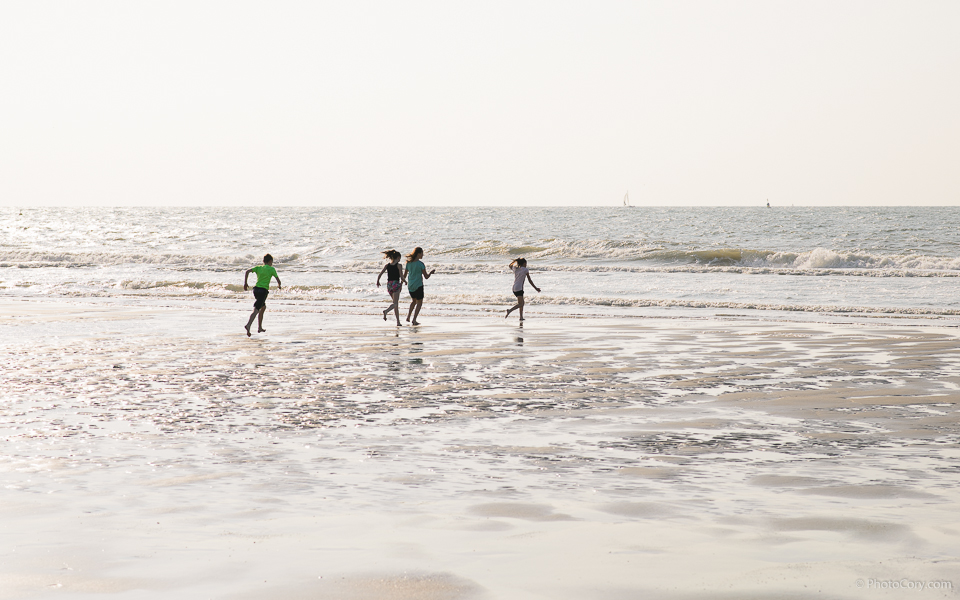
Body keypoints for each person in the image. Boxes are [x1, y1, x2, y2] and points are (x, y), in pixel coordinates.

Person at [243, 254, 281, 337]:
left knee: (263, 307)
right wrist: (279, 285)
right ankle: (248, 325)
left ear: (263, 261)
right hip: (263, 291)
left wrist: (245, 283)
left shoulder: (259, 267)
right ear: (270, 261)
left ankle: (259, 327)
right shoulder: (271, 269)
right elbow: (278, 280)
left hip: (256, 290)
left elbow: (247, 271)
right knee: (256, 309)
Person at [404, 246, 435, 325]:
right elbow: (426, 277)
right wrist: (431, 273)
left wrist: (402, 283)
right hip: (418, 285)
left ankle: (408, 316)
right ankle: (414, 320)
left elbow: (404, 276)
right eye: (422, 253)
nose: (422, 255)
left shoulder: (408, 263)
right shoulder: (421, 264)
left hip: (410, 285)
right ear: (418, 254)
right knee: (419, 303)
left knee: (413, 301)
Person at [376, 249, 405, 326]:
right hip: (396, 284)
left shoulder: (387, 265)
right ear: (398, 257)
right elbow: (401, 277)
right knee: (395, 303)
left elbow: (380, 274)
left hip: (389, 285)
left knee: (395, 304)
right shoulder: (399, 265)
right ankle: (386, 311)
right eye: (400, 258)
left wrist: (378, 281)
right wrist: (405, 281)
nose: (400, 260)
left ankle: (398, 322)